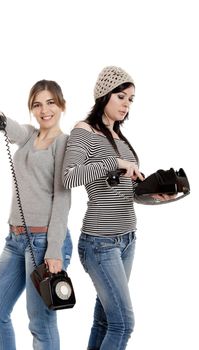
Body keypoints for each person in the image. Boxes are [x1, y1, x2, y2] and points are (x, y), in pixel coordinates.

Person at [63, 66, 173, 350]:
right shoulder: (83, 131)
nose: (126, 104)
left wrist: (150, 194)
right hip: (100, 243)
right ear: (103, 96)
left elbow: (121, 189)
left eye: (131, 99)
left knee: (105, 322)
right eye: (121, 96)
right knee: (124, 324)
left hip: (127, 239)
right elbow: (69, 176)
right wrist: (116, 163)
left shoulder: (121, 137)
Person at [0, 80, 72, 350]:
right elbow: (14, 130)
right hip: (16, 239)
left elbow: (63, 199)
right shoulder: (31, 135)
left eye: (50, 103)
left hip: (45, 242)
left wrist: (54, 249)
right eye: (37, 104)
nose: (44, 110)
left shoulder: (64, 144)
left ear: (62, 105)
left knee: (41, 323)